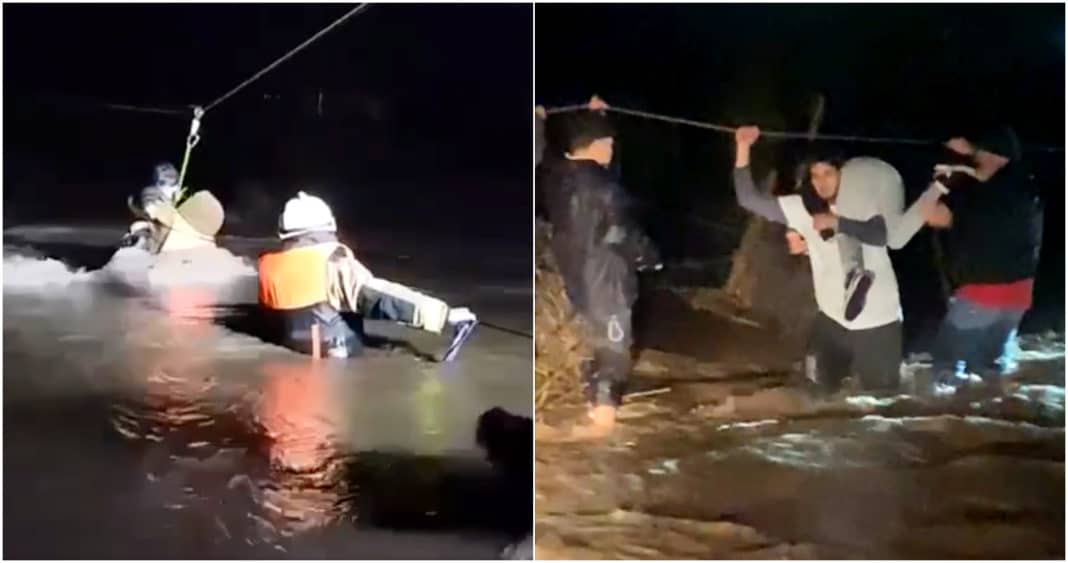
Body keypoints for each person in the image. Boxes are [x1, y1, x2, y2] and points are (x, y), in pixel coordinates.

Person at [732, 126, 942, 393]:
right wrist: (743, 146)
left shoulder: (865, 203)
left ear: (844, 174)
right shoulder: (802, 208)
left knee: (882, 406)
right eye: (815, 175)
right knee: (810, 394)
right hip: (831, 320)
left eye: (829, 173)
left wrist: (838, 222)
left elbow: (883, 235)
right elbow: (748, 198)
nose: (822, 182)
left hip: (878, 322)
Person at [542, 105, 661, 435]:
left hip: (576, 280)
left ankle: (592, 410)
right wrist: (650, 257)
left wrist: (542, 122)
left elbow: (546, 157)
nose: (611, 150)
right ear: (595, 145)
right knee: (615, 355)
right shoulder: (605, 187)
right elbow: (622, 232)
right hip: (607, 281)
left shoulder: (557, 179)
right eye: (608, 144)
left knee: (598, 348)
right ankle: (602, 437)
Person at [257, 191, 478, 360]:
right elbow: (378, 296)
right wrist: (443, 314)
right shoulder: (334, 263)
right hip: (338, 361)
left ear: (284, 232)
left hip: (294, 352)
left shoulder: (269, 266)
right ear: (329, 225)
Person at [924, 126, 1042, 392]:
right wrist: (971, 160)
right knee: (990, 366)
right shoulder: (1027, 187)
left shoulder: (980, 196)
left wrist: (941, 184)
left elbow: (931, 215)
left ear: (992, 157)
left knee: (946, 365)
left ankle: (950, 421)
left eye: (979, 156)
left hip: (980, 297)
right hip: (1019, 297)